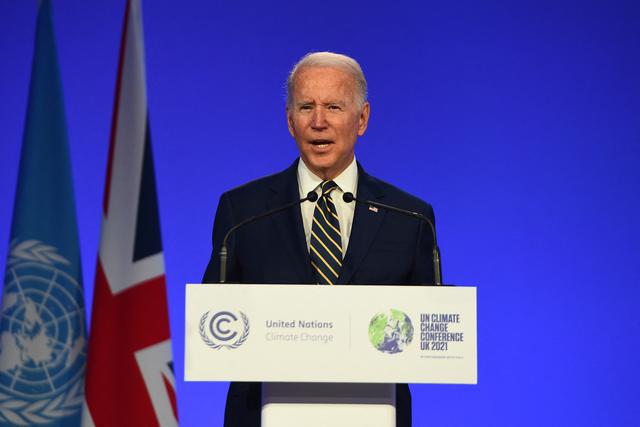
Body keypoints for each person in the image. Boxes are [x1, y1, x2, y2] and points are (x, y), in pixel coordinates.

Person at [203, 51, 437, 427]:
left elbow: (429, 327)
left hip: (374, 413)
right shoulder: (242, 211)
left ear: (362, 119)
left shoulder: (409, 217)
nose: (318, 122)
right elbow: (214, 322)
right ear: (289, 120)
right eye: (306, 106)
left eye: (333, 107)